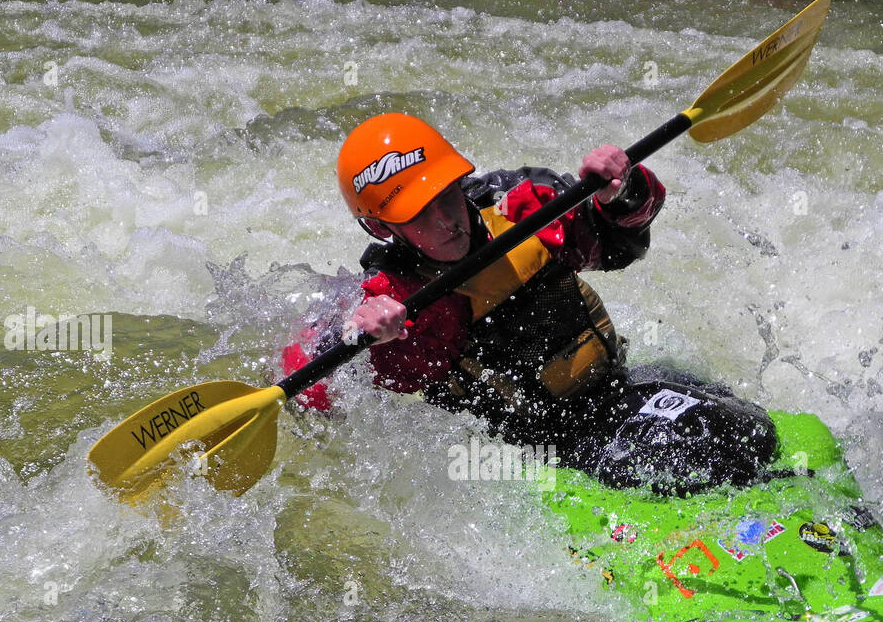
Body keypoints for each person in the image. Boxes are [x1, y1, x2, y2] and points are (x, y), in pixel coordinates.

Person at [281, 112, 777, 495]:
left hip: (610, 388)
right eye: (419, 215)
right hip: (534, 446)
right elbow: (324, 380)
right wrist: (360, 332)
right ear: (383, 227)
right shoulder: (390, 291)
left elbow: (623, 246)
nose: (446, 221)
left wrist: (620, 191)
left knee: (748, 427)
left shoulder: (519, 205)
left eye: (445, 196)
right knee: (713, 446)